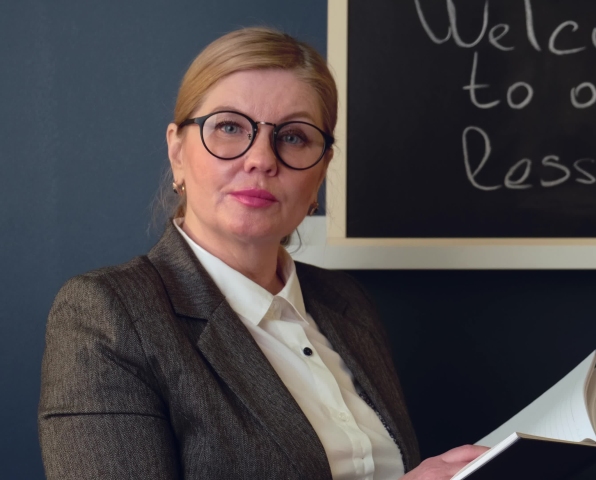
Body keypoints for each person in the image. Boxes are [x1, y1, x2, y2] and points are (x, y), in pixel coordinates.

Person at [38, 27, 487, 479]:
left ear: (321, 171)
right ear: (177, 152)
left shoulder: (346, 302)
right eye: (230, 127)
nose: (261, 159)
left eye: (293, 137)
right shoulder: (108, 315)